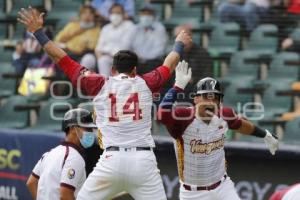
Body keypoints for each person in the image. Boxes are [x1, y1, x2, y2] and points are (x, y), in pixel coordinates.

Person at [17, 6, 192, 199]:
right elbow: (170, 62)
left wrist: (38, 33)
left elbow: (60, 57)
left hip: (111, 160)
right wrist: (178, 44)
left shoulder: (99, 84)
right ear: (135, 70)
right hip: (143, 161)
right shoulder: (146, 82)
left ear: (113, 69)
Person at [157, 61, 279, 200]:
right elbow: (161, 115)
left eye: (215, 98)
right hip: (193, 193)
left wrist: (265, 134)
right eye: (206, 96)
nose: (211, 102)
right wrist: (177, 87)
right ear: (196, 99)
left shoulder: (224, 115)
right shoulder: (183, 117)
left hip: (223, 187)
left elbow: (240, 124)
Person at [26, 108, 97, 200]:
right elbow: (65, 195)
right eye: (87, 128)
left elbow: (31, 183)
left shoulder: (49, 154)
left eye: (91, 129)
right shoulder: (74, 158)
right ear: (72, 129)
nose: (91, 132)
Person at [54, 5, 100, 70]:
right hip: (67, 52)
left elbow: (92, 46)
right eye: (84, 13)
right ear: (80, 15)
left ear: (94, 16)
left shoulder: (96, 29)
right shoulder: (72, 25)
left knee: (88, 59)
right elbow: (58, 39)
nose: (87, 15)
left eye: (90, 13)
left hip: (83, 55)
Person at [94, 3, 135, 77]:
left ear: (123, 14)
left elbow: (125, 47)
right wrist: (101, 54)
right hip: (107, 58)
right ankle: (105, 86)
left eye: (118, 13)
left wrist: (106, 51)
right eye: (113, 13)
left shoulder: (129, 25)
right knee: (102, 60)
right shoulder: (106, 28)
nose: (115, 15)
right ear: (109, 15)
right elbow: (98, 48)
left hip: (123, 59)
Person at [12, 6, 53, 75]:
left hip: (38, 57)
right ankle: (20, 83)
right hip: (25, 56)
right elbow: (25, 41)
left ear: (41, 16)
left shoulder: (46, 30)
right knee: (17, 62)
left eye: (35, 14)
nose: (32, 16)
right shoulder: (26, 30)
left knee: (36, 64)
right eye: (31, 14)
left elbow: (48, 47)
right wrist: (20, 46)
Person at [132, 4, 168, 74]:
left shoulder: (160, 28)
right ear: (140, 15)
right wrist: (136, 56)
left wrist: (143, 58)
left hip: (153, 62)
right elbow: (129, 45)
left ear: (153, 16)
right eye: (143, 14)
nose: (145, 17)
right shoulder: (135, 28)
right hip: (136, 61)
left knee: (152, 66)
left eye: (148, 14)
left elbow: (160, 50)